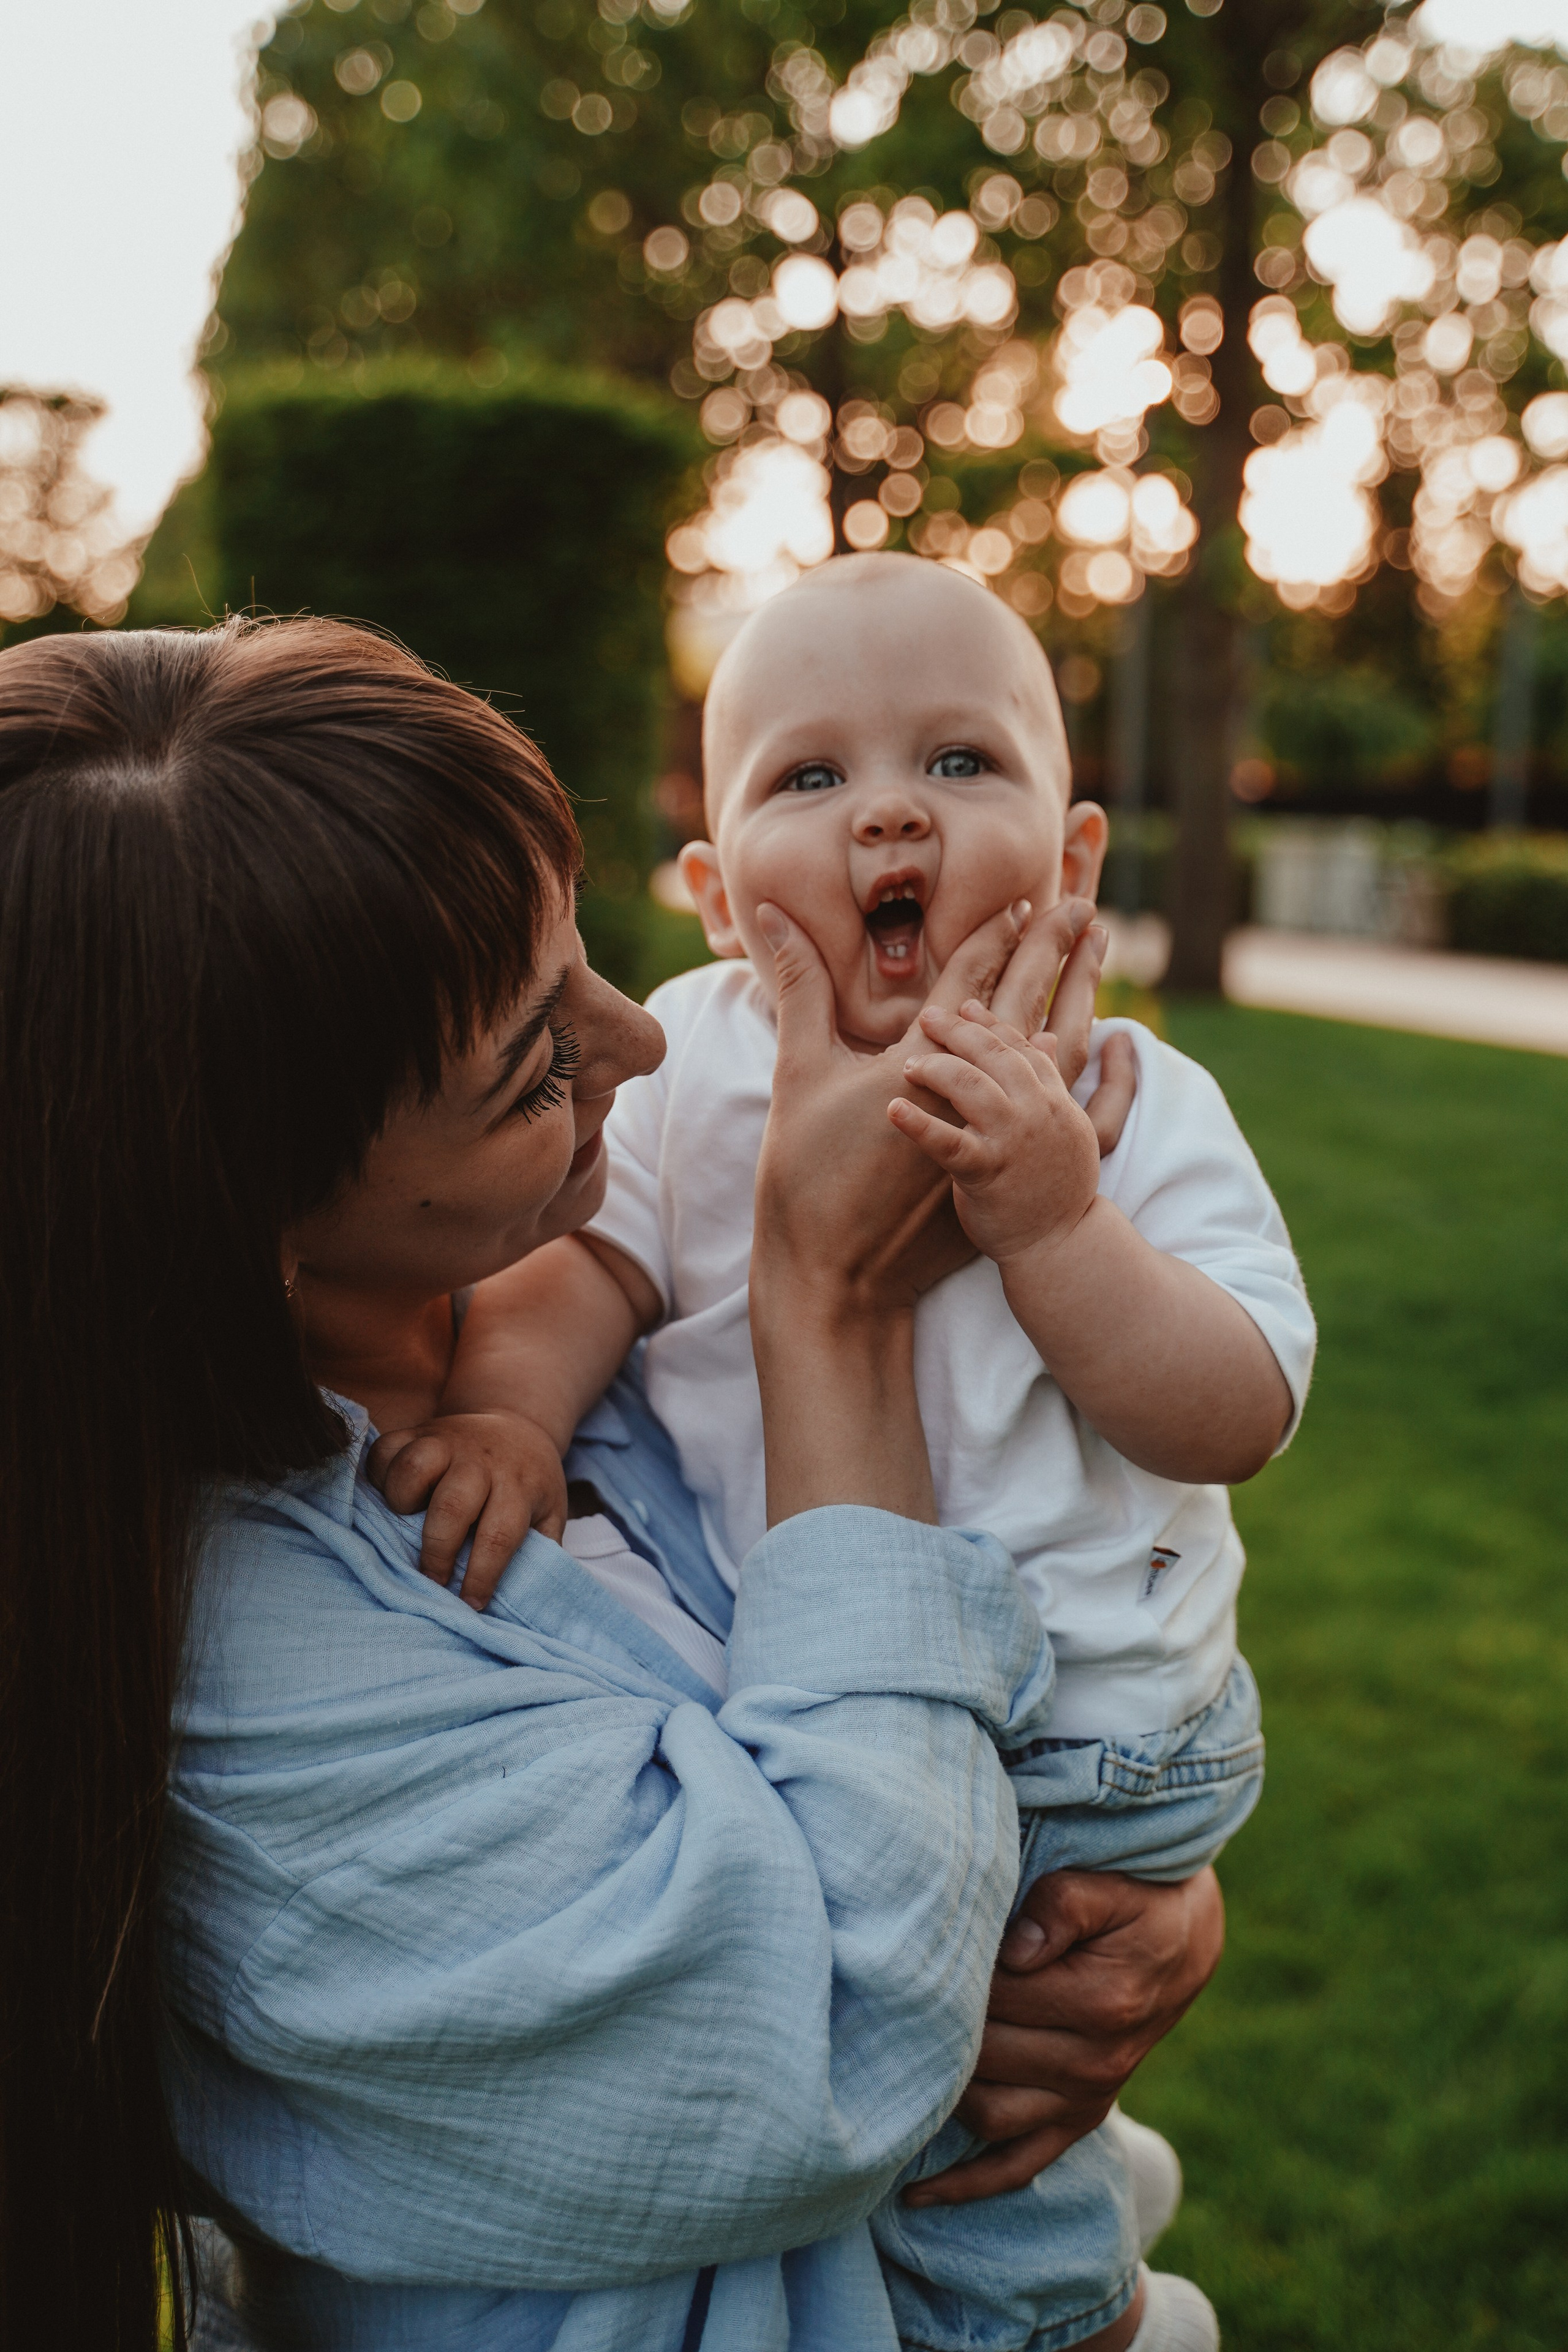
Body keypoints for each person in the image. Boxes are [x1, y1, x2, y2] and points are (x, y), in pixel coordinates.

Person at [0, 615, 1222, 2352]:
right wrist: (833, 1300)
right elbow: (845, 2032)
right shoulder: (245, 1689)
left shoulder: (562, 1315)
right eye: (532, 1066)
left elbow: (934, 1747)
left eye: (586, 959)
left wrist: (1131, 1883)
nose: (639, 1048)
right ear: (241, 1227)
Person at [375, 557, 1316, 2351]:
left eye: (963, 763)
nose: (889, 807)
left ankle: (1059, 2314)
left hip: (1086, 1742)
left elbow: (1238, 1409)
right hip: (810, 1700)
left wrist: (1058, 1231)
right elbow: (585, 1265)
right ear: (724, 899)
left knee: (971, 2165)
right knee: (877, 2092)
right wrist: (509, 1410)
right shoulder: (686, 1071)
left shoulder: (1126, 1102)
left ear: (1075, 858)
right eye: (809, 779)